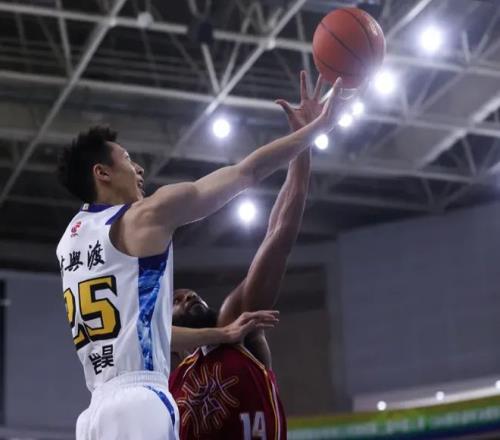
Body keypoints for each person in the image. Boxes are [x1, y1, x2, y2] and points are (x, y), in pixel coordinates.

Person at [55, 74, 343, 440]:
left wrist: (220, 333)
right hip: (140, 399)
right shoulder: (145, 215)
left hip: (95, 412)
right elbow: (247, 172)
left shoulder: (69, 242)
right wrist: (317, 129)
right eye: (127, 159)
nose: (138, 169)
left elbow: (144, 331)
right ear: (102, 173)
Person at [169, 71, 325, 440]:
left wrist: (303, 142)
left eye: (189, 294)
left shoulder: (236, 326)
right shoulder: (170, 385)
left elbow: (278, 236)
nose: (188, 297)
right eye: (176, 300)